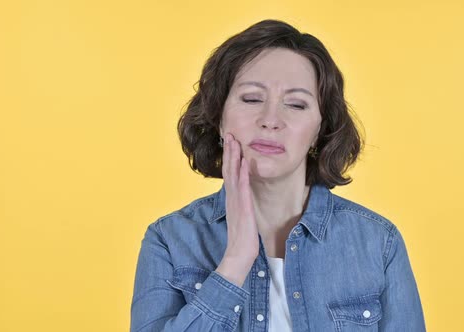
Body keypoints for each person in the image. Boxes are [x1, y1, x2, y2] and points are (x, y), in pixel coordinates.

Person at [130, 19, 426, 332]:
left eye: (296, 104)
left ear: (319, 130)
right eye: (252, 99)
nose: (271, 120)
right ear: (218, 117)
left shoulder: (378, 243)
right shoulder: (169, 240)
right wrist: (235, 260)